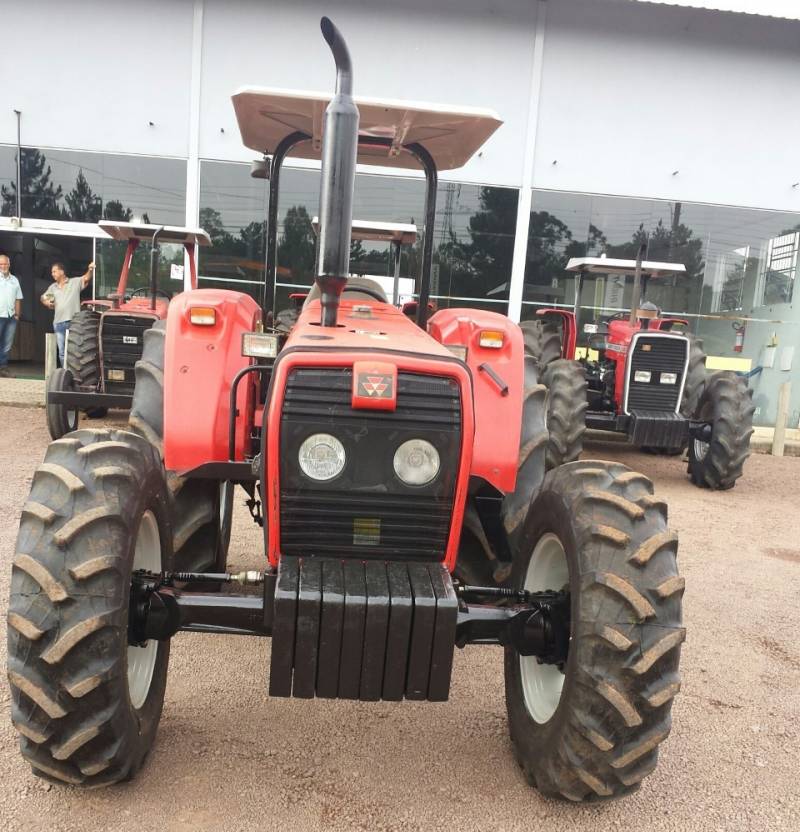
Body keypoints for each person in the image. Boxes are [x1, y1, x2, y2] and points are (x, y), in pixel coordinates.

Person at [41, 261, 94, 366]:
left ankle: (75, 373)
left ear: (62, 272)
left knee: (75, 351)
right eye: (52, 272)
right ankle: (66, 373)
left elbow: (86, 278)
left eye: (54, 271)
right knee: (61, 352)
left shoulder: (74, 282)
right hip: (58, 323)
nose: (52, 274)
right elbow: (43, 297)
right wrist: (46, 302)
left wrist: (90, 269)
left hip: (73, 322)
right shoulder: (53, 287)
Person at [0, 253, 23, 378]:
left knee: (7, 344)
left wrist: (17, 315)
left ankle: (3, 368)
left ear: (9, 264)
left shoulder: (15, 280)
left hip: (11, 317)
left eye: (5, 264)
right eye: (1, 264)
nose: (3, 266)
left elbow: (18, 298)